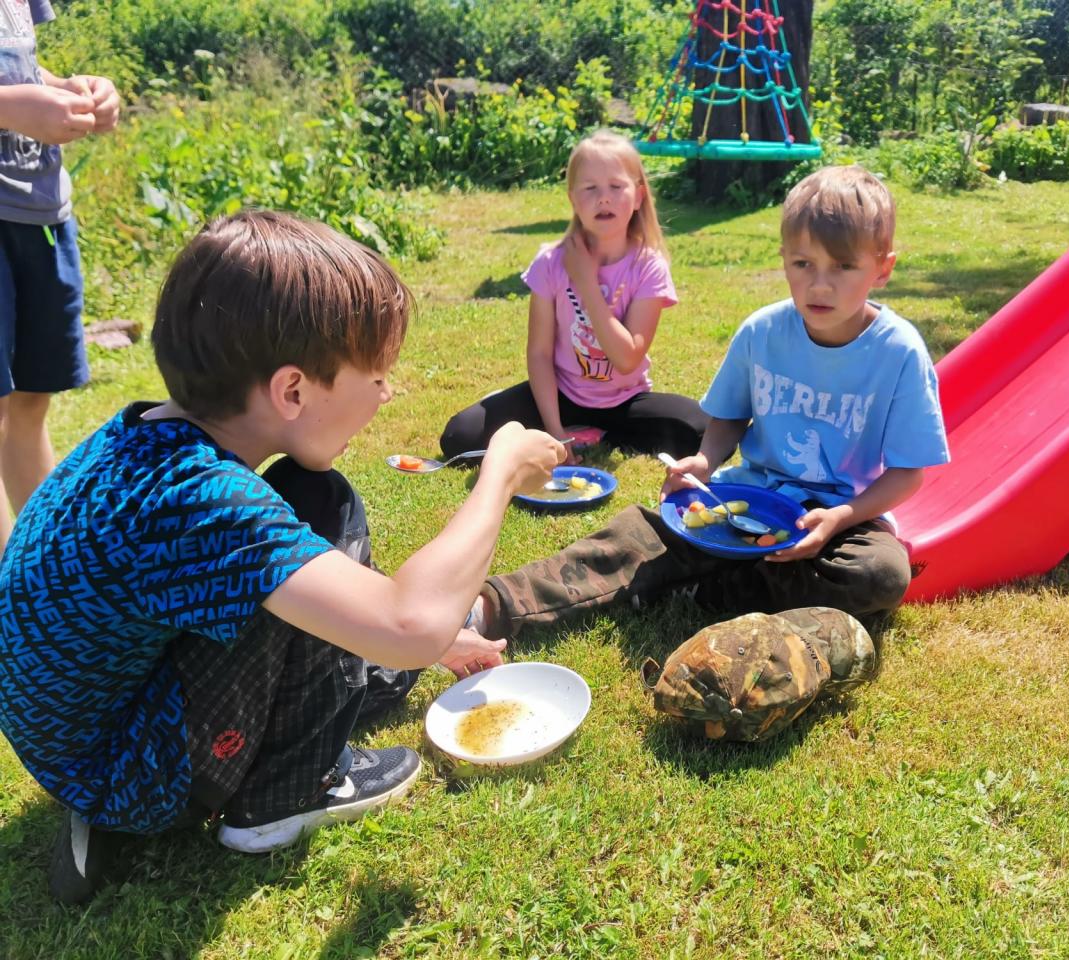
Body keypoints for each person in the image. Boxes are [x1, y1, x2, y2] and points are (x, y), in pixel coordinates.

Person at [0, 211, 566, 905]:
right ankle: (284, 796)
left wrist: (435, 638)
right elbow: (408, 622)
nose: (387, 394)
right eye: (377, 377)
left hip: (81, 739)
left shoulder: (141, 438)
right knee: (324, 506)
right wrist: (500, 474)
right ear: (292, 390)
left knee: (306, 526)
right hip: (123, 774)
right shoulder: (208, 503)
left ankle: (119, 793)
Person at [466, 164, 950, 643]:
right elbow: (730, 418)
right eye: (803, 264)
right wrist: (704, 460)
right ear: (783, 258)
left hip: (845, 519)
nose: (820, 285)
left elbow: (908, 472)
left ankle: (709, 586)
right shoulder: (762, 331)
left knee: (880, 574)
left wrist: (842, 517)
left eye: (843, 266)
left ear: (882, 268)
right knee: (639, 537)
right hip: (747, 498)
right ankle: (492, 606)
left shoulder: (899, 352)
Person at [439, 129, 708, 464]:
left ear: (639, 196)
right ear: (572, 199)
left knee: (701, 430)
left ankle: (599, 433)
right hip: (560, 394)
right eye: (590, 188)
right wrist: (554, 431)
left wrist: (585, 282)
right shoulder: (550, 262)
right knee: (459, 437)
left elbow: (627, 358)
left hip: (624, 402)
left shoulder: (648, 267)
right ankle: (561, 426)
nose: (603, 198)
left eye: (616, 186)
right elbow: (539, 354)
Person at [0, 0, 120, 555]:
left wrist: (71, 91)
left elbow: (20, 69)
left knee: (30, 401)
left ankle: (43, 570)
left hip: (40, 210)